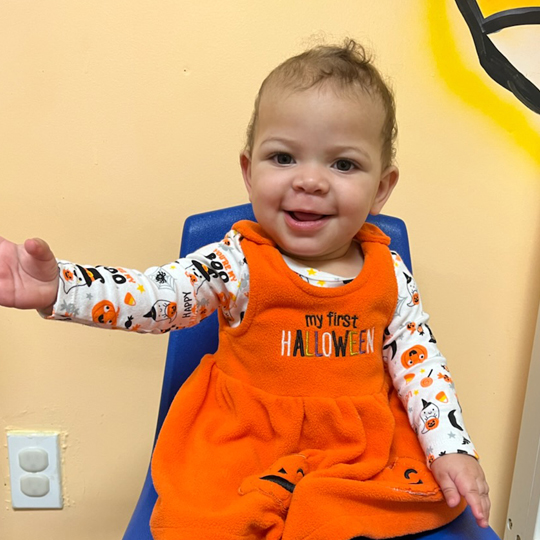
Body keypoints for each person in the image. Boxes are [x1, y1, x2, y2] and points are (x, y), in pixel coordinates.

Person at [0, 40, 490, 539]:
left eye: (343, 165)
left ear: (382, 188)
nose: (310, 181)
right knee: (195, 524)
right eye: (283, 157)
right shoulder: (236, 262)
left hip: (358, 449)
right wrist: (59, 287)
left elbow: (420, 365)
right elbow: (155, 297)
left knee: (377, 514)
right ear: (248, 172)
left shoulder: (388, 271)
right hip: (245, 443)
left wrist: (451, 448)